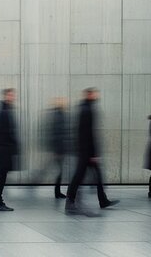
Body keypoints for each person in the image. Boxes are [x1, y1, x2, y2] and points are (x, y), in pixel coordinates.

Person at [65, 88, 119, 216]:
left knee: (96, 176)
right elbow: (88, 133)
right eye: (95, 93)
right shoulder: (87, 110)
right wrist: (93, 153)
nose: (97, 95)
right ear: (89, 94)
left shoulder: (86, 108)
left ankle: (102, 200)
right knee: (78, 176)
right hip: (86, 151)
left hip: (85, 150)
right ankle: (70, 202)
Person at [0, 88, 19, 212]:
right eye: (10, 95)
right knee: (1, 176)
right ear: (5, 96)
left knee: (1, 176)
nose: (13, 97)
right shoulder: (4, 111)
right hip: (5, 149)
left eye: (13, 95)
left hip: (5, 148)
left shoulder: (6, 110)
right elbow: (4, 132)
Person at [47, 97, 69, 199]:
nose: (65, 103)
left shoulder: (61, 115)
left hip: (60, 148)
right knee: (59, 170)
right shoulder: (58, 116)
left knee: (59, 170)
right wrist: (56, 150)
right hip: (59, 149)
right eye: (63, 102)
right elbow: (56, 133)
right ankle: (57, 192)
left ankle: (58, 191)